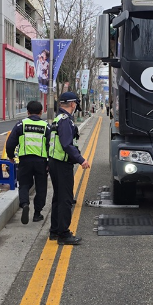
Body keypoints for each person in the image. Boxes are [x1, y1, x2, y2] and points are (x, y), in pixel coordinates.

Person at [47, 91, 90, 245]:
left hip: (54, 162)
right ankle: (64, 234)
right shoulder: (65, 121)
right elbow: (66, 144)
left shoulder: (58, 119)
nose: (76, 106)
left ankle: (54, 231)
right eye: (76, 104)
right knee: (65, 199)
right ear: (72, 104)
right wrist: (81, 159)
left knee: (58, 198)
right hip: (62, 164)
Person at [5, 100, 49, 225]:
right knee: (41, 187)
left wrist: (11, 156)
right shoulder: (46, 126)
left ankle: (25, 204)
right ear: (41, 112)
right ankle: (37, 213)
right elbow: (50, 145)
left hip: (25, 160)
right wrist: (49, 162)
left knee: (24, 184)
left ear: (27, 112)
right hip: (41, 161)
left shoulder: (21, 124)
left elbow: (10, 143)